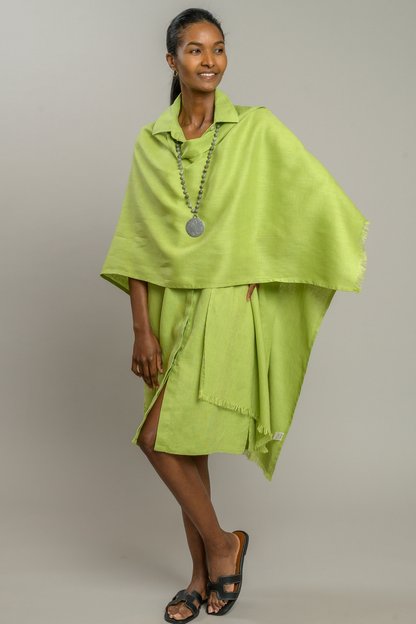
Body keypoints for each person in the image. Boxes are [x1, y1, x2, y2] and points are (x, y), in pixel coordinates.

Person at [100, 8, 370, 622]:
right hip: (166, 302)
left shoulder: (255, 128)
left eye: (218, 48)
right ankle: (202, 572)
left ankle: (222, 547)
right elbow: (137, 239)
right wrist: (140, 328)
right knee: (179, 443)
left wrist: (264, 265)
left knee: (161, 438)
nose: (210, 61)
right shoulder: (151, 141)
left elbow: (304, 201)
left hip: (225, 301)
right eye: (195, 50)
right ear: (172, 61)